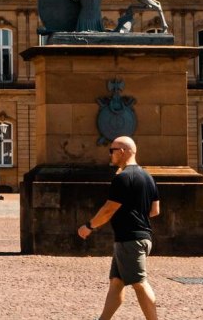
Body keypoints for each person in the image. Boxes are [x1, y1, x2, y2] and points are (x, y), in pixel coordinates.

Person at [77, 135, 160, 320]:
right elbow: (155, 210)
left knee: (139, 283)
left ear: (123, 152)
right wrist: (136, 211)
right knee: (116, 283)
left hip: (130, 239)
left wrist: (89, 226)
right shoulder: (148, 177)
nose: (110, 154)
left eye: (112, 150)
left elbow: (109, 209)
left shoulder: (122, 178)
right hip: (141, 237)